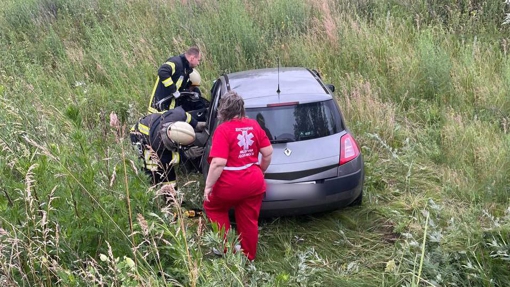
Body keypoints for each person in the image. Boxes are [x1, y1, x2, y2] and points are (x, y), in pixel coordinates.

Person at [203, 90, 273, 261]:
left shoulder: (223, 130)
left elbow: (218, 163)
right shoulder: (254, 125)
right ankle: (248, 256)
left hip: (229, 184)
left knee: (214, 207)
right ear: (241, 108)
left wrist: (209, 186)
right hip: (253, 182)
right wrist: (261, 170)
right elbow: (268, 152)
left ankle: (228, 250)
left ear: (223, 110)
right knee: (249, 220)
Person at [130, 106, 206, 189]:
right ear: (174, 143)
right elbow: (168, 164)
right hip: (138, 135)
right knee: (153, 167)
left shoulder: (179, 115)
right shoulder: (158, 145)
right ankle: (154, 187)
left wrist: (196, 124)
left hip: (154, 123)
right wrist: (186, 155)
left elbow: (187, 116)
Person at [148, 46, 202, 113]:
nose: (198, 63)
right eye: (198, 60)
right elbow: (162, 71)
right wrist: (173, 89)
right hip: (158, 109)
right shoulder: (177, 63)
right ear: (192, 58)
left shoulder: (185, 69)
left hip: (168, 109)